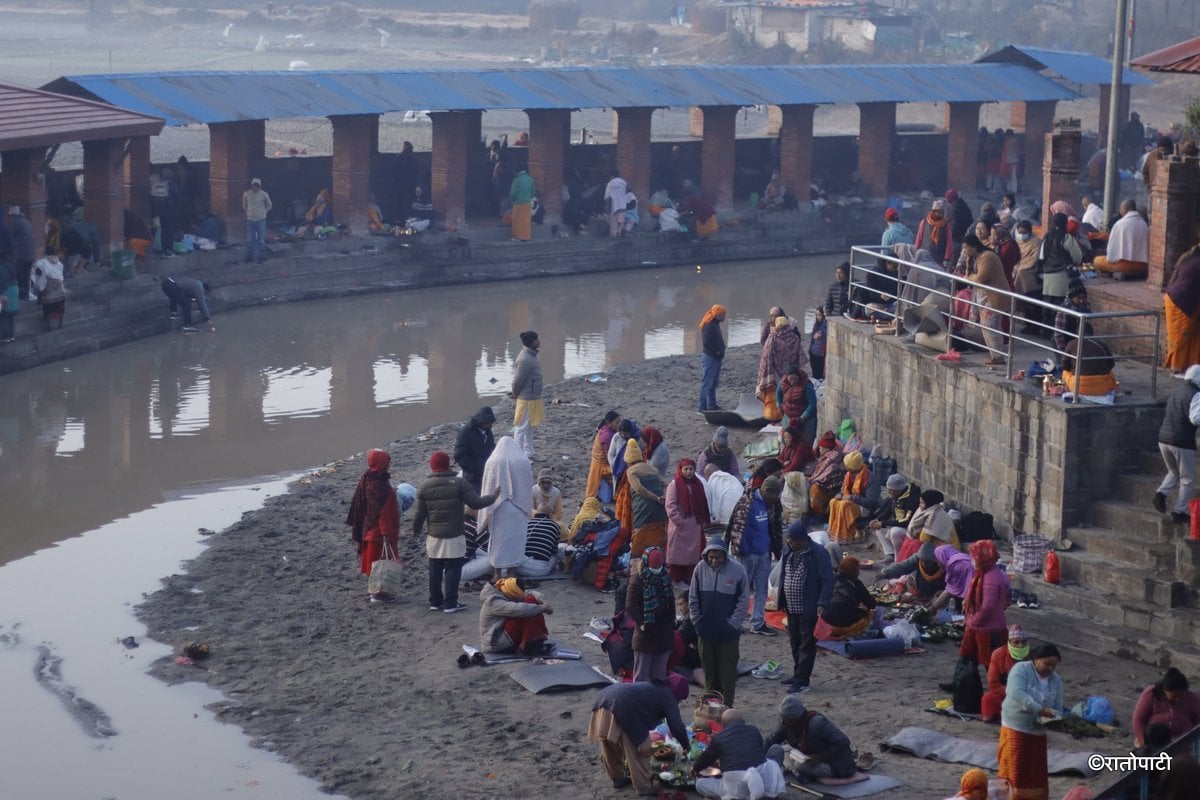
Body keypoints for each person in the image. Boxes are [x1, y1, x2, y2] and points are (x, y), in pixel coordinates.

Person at [413, 450, 499, 612]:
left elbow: (420, 514)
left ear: (432, 466)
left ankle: (435, 601)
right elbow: (476, 503)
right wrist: (492, 497)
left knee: (435, 568)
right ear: (448, 464)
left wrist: (415, 530)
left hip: (434, 535)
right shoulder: (459, 483)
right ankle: (451, 603)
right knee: (453, 568)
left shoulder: (424, 486)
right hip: (454, 535)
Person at [588, 677, 690, 795]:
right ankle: (644, 787)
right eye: (681, 698)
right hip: (624, 707)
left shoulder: (653, 686)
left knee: (611, 747)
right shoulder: (668, 695)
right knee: (641, 749)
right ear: (678, 692)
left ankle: (618, 779)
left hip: (605, 697)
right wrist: (686, 745)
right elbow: (676, 726)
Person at [689, 536, 750, 707]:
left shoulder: (738, 571)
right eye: (711, 557)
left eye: (718, 557)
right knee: (709, 673)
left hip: (728, 633)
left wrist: (733, 624)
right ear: (706, 555)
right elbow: (693, 598)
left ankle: (726, 708)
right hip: (705, 631)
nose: (714, 560)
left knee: (727, 674)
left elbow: (744, 600)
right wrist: (697, 622)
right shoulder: (699, 569)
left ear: (725, 555)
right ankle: (709, 708)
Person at [999, 644, 1064, 800]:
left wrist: (1051, 717)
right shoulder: (1021, 669)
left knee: (1035, 771)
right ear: (1036, 659)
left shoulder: (1056, 680)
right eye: (1047, 664)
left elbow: (1058, 708)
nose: (1050, 669)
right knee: (1017, 769)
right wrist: (1038, 709)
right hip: (1016, 726)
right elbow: (1016, 692)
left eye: (1054, 666)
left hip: (1038, 731)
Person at [943, 540, 1010, 693]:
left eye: (974, 556)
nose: (972, 560)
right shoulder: (984, 573)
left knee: (994, 663)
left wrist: (973, 620)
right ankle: (959, 684)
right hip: (976, 626)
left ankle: (1003, 691)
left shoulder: (991, 579)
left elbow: (987, 607)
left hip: (988, 628)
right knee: (966, 657)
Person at [777, 522, 834, 693]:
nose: (789, 542)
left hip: (808, 607)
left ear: (802, 540)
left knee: (807, 645)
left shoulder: (818, 553)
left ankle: (802, 681)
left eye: (792, 540)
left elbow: (827, 580)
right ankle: (797, 674)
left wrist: (822, 603)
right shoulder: (789, 550)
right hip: (791, 607)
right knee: (795, 642)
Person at [725, 475, 783, 637]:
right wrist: (742, 550)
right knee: (741, 590)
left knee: (762, 589)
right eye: (775, 494)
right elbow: (736, 526)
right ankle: (735, 622)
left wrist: (775, 549)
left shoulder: (771, 505)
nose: (777, 498)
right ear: (767, 492)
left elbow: (775, 527)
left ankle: (758, 622)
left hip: (764, 554)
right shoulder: (747, 503)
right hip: (747, 555)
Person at [344, 449, 400, 601]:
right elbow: (384, 514)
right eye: (387, 462)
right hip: (378, 535)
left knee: (373, 565)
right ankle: (377, 594)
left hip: (367, 530)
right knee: (380, 563)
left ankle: (375, 592)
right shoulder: (381, 487)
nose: (389, 465)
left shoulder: (366, 479)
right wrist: (387, 535)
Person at [693, 709, 783, 799]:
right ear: (742, 720)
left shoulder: (718, 738)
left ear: (723, 724)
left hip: (737, 789)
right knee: (777, 749)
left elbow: (706, 758)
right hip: (762, 781)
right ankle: (770, 786)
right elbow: (758, 753)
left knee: (700, 784)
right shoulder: (754, 730)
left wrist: (695, 768)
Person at [479, 436, 535, 579]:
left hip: (499, 507)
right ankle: (512, 572)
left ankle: (497, 573)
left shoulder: (493, 461)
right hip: (519, 506)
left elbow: (489, 485)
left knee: (498, 539)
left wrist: (488, 507)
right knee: (515, 539)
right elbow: (527, 485)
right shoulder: (523, 461)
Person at [765, 695, 857, 781]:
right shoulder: (786, 724)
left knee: (799, 766)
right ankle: (796, 770)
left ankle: (799, 772)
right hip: (806, 754)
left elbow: (843, 742)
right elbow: (771, 740)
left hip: (834, 763)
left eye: (788, 720)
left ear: (798, 718)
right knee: (779, 750)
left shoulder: (817, 724)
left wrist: (819, 757)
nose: (783, 722)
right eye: (783, 718)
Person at [1154, 365, 1200, 524]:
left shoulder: (1177, 391)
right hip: (1182, 442)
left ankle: (1161, 494)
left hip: (1163, 438)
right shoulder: (1196, 394)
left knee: (1173, 472)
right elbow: (1196, 418)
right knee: (1187, 479)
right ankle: (1179, 512)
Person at [624, 546, 676, 682]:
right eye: (654, 565)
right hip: (646, 633)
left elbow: (671, 601)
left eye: (659, 565)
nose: (657, 568)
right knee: (642, 674)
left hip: (664, 631)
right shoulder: (638, 580)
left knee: (659, 675)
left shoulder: (665, 577)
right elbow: (630, 606)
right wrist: (641, 623)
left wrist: (672, 622)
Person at [961, 232, 1012, 366]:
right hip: (984, 296)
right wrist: (969, 274)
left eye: (966, 248)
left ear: (973, 247)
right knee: (986, 327)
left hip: (993, 296)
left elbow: (979, 278)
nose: (964, 251)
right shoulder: (973, 258)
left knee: (991, 326)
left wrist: (969, 278)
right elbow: (969, 274)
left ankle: (998, 357)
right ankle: (995, 356)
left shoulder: (987, 257)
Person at [479, 577, 553, 655]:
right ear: (511, 593)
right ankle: (530, 644)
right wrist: (542, 608)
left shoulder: (505, 589)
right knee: (527, 608)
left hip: (502, 633)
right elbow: (519, 609)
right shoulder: (493, 601)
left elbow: (530, 593)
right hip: (495, 643)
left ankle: (532, 641)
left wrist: (543, 602)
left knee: (530, 599)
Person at [666, 458, 711, 586]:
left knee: (692, 555)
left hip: (695, 525)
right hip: (680, 526)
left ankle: (688, 578)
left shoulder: (697, 484)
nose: (688, 472)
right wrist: (679, 521)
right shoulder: (674, 485)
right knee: (679, 554)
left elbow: (702, 503)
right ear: (680, 470)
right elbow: (670, 506)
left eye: (691, 469)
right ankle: (676, 579)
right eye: (686, 469)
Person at [1132, 668, 1200, 747]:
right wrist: (1143, 740)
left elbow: (1198, 722)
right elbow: (1138, 719)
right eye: (1174, 697)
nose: (1177, 699)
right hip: (1153, 740)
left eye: (1180, 696)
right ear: (1165, 691)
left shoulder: (1191, 698)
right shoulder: (1151, 694)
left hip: (1181, 743)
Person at [626, 438, 668, 559]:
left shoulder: (631, 471)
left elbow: (639, 489)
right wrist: (664, 498)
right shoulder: (652, 469)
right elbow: (665, 484)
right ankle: (657, 560)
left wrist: (655, 498)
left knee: (638, 544)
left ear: (628, 461)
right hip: (660, 511)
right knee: (658, 539)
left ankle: (637, 566)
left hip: (644, 511)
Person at [866, 472, 921, 564]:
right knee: (878, 528)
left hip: (910, 528)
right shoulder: (896, 496)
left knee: (895, 531)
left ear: (900, 489)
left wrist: (884, 523)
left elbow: (907, 521)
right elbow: (888, 510)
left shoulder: (912, 499)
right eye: (889, 490)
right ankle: (889, 554)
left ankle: (898, 560)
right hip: (897, 524)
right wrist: (877, 520)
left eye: (892, 491)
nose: (889, 493)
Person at [757, 316, 805, 420]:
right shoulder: (794, 338)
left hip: (774, 372)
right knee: (789, 394)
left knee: (775, 394)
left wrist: (764, 372)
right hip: (791, 373)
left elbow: (766, 356)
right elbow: (800, 355)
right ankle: (787, 416)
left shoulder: (772, 338)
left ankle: (773, 416)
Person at [981, 624, 1031, 723]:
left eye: (1023, 642)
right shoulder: (998, 655)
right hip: (1005, 694)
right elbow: (993, 684)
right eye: (1016, 642)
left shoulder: (1034, 656)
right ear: (1009, 642)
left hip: (1027, 697)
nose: (1020, 645)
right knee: (988, 699)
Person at [820, 556, 876, 639]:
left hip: (825, 618)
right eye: (858, 569)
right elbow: (871, 604)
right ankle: (848, 632)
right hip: (843, 622)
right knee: (868, 614)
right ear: (855, 570)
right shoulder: (855, 583)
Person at [1166, 245, 1200, 374]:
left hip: (1188, 302)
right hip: (1180, 303)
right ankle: (1177, 368)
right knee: (1181, 339)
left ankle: (1192, 367)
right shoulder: (1197, 262)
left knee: (1195, 336)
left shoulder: (1194, 259)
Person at [827, 450, 874, 545]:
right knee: (833, 501)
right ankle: (833, 534)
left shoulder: (869, 477)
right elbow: (844, 489)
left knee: (844, 505)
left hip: (864, 506)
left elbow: (871, 501)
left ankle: (844, 537)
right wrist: (840, 495)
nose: (847, 469)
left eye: (849, 468)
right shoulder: (849, 475)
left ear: (855, 468)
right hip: (851, 500)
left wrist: (851, 498)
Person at [1094, 199, 1149, 277]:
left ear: (1124, 209)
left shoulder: (1119, 224)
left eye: (1120, 209)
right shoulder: (1144, 224)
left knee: (1097, 261)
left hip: (1124, 266)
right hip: (1142, 265)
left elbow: (1111, 253)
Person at [510, 330, 543, 459]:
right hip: (526, 399)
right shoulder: (524, 359)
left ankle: (529, 452)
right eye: (536, 339)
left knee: (530, 427)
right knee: (520, 428)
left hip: (533, 398)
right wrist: (514, 394)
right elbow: (518, 380)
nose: (539, 341)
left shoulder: (532, 355)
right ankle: (518, 455)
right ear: (531, 342)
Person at [453, 406, 496, 493]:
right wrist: (473, 470)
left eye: (490, 423)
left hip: (487, 472)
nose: (489, 425)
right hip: (473, 477)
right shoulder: (465, 433)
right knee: (475, 501)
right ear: (481, 421)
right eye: (487, 423)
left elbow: (491, 447)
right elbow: (459, 455)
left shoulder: (488, 431)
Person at [1011, 219, 1044, 334]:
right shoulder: (1016, 242)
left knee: (1032, 304)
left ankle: (1034, 327)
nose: (1021, 235)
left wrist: (1020, 267)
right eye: (1019, 232)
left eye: (1024, 232)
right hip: (1018, 275)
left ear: (1030, 233)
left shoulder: (1036, 242)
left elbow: (1033, 259)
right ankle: (1028, 325)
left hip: (1031, 278)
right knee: (1025, 304)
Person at [807, 432, 845, 516]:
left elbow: (822, 475)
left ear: (827, 449)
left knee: (814, 489)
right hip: (826, 483)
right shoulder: (827, 455)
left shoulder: (831, 459)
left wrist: (811, 480)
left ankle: (823, 512)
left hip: (832, 488)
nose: (819, 450)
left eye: (821, 448)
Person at [586, 410, 621, 499]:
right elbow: (609, 456)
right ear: (609, 423)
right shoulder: (607, 436)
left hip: (599, 462)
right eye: (617, 423)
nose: (619, 425)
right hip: (602, 465)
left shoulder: (606, 430)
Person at [698, 304, 727, 412]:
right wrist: (718, 350)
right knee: (707, 383)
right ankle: (702, 407)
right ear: (718, 315)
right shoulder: (709, 325)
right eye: (723, 314)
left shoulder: (714, 324)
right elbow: (707, 342)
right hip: (710, 358)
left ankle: (712, 405)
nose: (724, 316)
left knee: (713, 383)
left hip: (715, 358)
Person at [518, 510, 561, 578]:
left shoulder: (527, 523)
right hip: (540, 571)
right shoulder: (555, 526)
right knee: (555, 554)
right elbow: (554, 552)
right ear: (549, 514)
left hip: (520, 568)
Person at [30, 250, 66, 330]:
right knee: (60, 307)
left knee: (47, 307)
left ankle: (49, 325)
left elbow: (37, 276)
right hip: (60, 291)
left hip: (48, 292)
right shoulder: (59, 263)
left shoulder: (41, 263)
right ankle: (60, 323)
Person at [5, 207, 35, 298]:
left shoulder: (16, 224)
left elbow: (8, 236)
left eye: (10, 216)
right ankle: (25, 294)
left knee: (19, 275)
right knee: (27, 275)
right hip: (31, 254)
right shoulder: (26, 222)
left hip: (21, 255)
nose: (9, 219)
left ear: (13, 216)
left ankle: (20, 295)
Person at [915, 200, 955, 268]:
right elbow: (919, 238)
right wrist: (915, 252)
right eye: (936, 211)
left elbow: (949, 242)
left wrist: (947, 258)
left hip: (939, 259)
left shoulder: (946, 225)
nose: (938, 214)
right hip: (925, 257)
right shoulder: (924, 222)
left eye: (941, 212)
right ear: (933, 211)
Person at [242, 177, 271, 264]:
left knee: (261, 240)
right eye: (254, 186)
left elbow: (269, 205)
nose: (256, 187)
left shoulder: (264, 194)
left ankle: (261, 257)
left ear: (260, 186)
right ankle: (251, 257)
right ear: (252, 186)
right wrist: (249, 212)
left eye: (257, 186)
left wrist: (264, 212)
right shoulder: (246, 194)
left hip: (261, 220)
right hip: (250, 220)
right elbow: (244, 205)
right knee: (250, 240)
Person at [509, 168, 535, 242]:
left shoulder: (517, 180)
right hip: (527, 202)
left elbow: (513, 192)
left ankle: (518, 236)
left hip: (518, 202)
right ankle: (526, 236)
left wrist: (512, 199)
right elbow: (533, 191)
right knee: (526, 220)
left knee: (517, 220)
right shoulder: (530, 179)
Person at [604, 170, 630, 237]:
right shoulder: (623, 182)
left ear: (611, 176)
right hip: (622, 204)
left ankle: (613, 234)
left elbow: (607, 196)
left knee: (613, 221)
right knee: (621, 220)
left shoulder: (610, 183)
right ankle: (619, 232)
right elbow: (627, 191)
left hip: (614, 205)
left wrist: (607, 206)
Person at [0, 259, 17, 343]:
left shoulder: (1, 267)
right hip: (14, 288)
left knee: (5, 315)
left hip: (5, 290)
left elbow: (1, 281)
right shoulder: (9, 264)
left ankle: (5, 336)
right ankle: (11, 335)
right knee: (11, 314)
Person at [808, 307, 827, 380]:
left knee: (819, 374)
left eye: (820, 315)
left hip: (820, 354)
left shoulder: (825, 324)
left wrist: (820, 336)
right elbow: (812, 338)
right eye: (816, 315)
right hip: (813, 352)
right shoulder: (816, 324)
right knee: (814, 373)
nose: (818, 317)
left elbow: (826, 337)